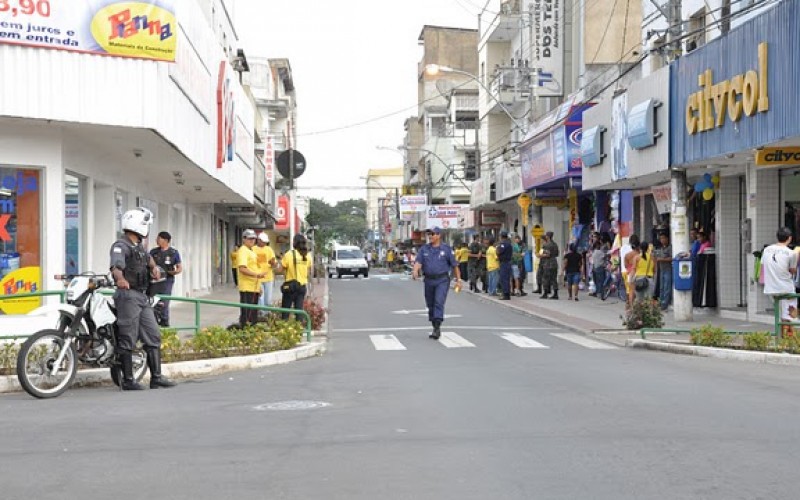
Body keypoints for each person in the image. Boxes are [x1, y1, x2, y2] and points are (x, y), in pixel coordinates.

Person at [109, 207, 176, 391]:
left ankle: (156, 377)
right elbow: (116, 266)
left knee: (153, 334)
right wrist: (120, 279)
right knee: (127, 337)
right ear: (139, 225)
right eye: (146, 225)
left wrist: (154, 268)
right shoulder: (120, 245)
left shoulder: (138, 247)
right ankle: (128, 380)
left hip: (142, 296)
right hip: (128, 296)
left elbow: (149, 260)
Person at [412, 227, 461, 340]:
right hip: (428, 280)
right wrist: (415, 271)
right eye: (429, 234)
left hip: (442, 280)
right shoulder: (424, 249)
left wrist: (459, 280)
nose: (430, 236)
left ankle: (437, 327)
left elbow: (454, 265)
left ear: (439, 235)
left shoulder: (446, 249)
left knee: (439, 302)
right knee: (430, 304)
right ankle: (434, 324)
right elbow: (418, 262)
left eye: (433, 234)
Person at [762, 227, 798, 331]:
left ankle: (782, 338)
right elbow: (793, 270)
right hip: (786, 288)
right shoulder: (792, 253)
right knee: (791, 314)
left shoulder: (766, 250)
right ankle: (789, 339)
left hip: (770, 288)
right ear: (790, 238)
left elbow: (764, 266)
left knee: (781, 313)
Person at [147, 231, 182, 327]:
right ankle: (152, 323)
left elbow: (179, 267)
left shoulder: (174, 253)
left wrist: (175, 272)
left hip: (167, 281)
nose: (156, 240)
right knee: (152, 302)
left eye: (159, 238)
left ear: (166, 240)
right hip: (154, 281)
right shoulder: (153, 252)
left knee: (164, 302)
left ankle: (164, 321)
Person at [281, 234, 313, 322]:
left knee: (285, 310)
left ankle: (285, 330)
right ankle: (299, 330)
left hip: (290, 286)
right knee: (299, 311)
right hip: (302, 286)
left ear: (294, 243)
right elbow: (308, 271)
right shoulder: (308, 256)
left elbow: (281, 269)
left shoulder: (288, 254)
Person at [237, 229, 266, 326]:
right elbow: (242, 268)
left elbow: (254, 267)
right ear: (244, 239)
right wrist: (257, 275)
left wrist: (259, 285)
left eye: (254, 239)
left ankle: (251, 332)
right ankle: (245, 332)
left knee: (253, 313)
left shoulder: (251, 251)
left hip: (254, 286)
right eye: (249, 239)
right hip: (247, 287)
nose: (252, 241)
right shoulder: (243, 251)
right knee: (247, 314)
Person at [254, 232, 277, 309]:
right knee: (260, 298)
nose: (264, 243)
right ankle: (262, 314)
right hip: (258, 277)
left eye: (265, 242)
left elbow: (274, 263)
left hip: (268, 277)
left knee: (268, 299)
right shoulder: (253, 249)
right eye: (262, 241)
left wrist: (273, 263)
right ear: (258, 240)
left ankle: (267, 314)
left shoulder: (269, 249)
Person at [654, 232, 673, 310]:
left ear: (667, 239)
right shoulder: (661, 248)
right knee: (661, 287)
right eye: (661, 239)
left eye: (663, 238)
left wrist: (661, 259)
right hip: (661, 270)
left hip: (668, 270)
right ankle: (660, 302)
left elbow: (672, 258)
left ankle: (665, 304)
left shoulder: (670, 248)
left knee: (666, 287)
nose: (662, 240)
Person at [540, 231, 560, 299]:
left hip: (547, 263)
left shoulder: (546, 245)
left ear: (547, 236)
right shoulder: (555, 244)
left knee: (545, 278)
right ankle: (556, 293)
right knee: (554, 279)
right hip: (554, 263)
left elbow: (545, 254)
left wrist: (540, 255)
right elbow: (557, 254)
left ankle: (545, 293)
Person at [496, 231, 513, 300]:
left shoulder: (503, 244)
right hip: (508, 262)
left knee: (504, 279)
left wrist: (497, 247)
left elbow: (498, 251)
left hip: (504, 263)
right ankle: (507, 293)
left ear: (501, 236)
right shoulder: (509, 244)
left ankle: (506, 294)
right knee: (506, 279)